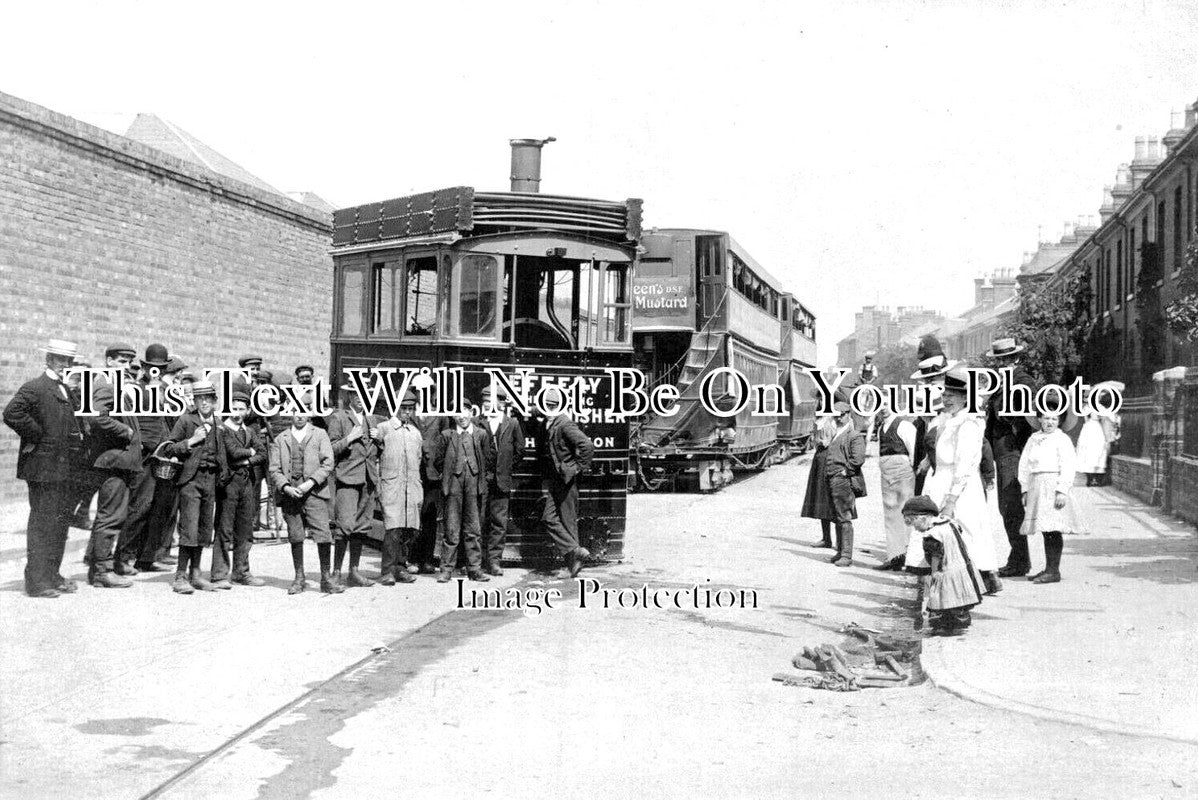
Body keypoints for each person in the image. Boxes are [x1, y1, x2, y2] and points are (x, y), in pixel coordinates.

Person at [3, 339, 88, 598]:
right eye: (61, 360)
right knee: (42, 523)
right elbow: (12, 413)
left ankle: (53, 574)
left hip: (66, 470)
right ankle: (37, 581)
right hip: (43, 468)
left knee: (60, 523)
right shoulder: (36, 387)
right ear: (49, 360)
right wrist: (38, 435)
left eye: (70, 361)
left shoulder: (67, 390)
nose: (66, 365)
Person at [916, 366, 1001, 594]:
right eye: (944, 395)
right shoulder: (949, 420)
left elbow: (965, 465)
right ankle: (945, 594)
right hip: (942, 482)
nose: (946, 399)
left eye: (952, 396)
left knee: (962, 539)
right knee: (941, 541)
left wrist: (952, 500)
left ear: (965, 398)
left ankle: (962, 595)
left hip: (960, 490)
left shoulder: (969, 423)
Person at [81, 343, 143, 588]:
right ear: (109, 361)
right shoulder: (106, 385)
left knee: (111, 515)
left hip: (119, 461)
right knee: (110, 516)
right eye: (121, 361)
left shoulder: (115, 385)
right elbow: (96, 416)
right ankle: (101, 571)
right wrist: (126, 431)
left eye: (129, 361)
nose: (126, 366)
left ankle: (100, 568)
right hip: (113, 460)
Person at [114, 343, 173, 574]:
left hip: (164, 454)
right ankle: (124, 557)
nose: (157, 372)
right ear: (145, 367)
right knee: (140, 506)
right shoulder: (133, 389)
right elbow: (131, 421)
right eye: (153, 367)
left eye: (161, 368)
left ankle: (147, 558)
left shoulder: (167, 391)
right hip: (145, 455)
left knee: (159, 507)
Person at [164, 380, 228, 593]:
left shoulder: (219, 424)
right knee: (189, 528)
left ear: (215, 401)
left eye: (209, 398)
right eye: (200, 399)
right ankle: (180, 576)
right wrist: (192, 441)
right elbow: (169, 448)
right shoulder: (186, 420)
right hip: (190, 480)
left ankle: (196, 573)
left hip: (210, 481)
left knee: (203, 528)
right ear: (194, 401)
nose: (204, 403)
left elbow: (222, 455)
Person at [984, 337, 1039, 578]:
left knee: (1011, 505)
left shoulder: (1023, 382)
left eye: (1006, 359)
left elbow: (1029, 418)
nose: (1002, 364)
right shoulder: (998, 384)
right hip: (999, 450)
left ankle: (1019, 560)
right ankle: (1018, 558)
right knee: (1006, 506)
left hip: (1013, 450)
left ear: (1016, 358)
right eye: (999, 360)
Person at [270, 411, 341, 594]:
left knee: (323, 534)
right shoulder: (281, 439)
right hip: (290, 494)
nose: (300, 416)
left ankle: (326, 578)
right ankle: (299, 578)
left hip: (315, 492)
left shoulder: (320, 434)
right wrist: (286, 487)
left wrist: (310, 482)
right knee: (295, 535)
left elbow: (328, 463)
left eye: (303, 411)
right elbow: (274, 469)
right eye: (295, 412)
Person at [325, 376, 384, 587]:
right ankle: (336, 572)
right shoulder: (339, 418)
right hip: (347, 479)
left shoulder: (372, 419)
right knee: (344, 527)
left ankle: (354, 572)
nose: (360, 398)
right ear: (350, 395)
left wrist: (380, 440)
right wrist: (349, 438)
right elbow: (329, 449)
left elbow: (377, 451)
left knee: (361, 526)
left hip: (368, 480)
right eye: (356, 394)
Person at [1018, 410, 1084, 584]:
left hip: (1053, 485)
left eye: (1054, 419)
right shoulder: (1033, 439)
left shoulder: (1062, 439)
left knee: (1053, 528)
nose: (1050, 422)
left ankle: (1054, 571)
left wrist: (1062, 490)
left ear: (1059, 421)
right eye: (1046, 418)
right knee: (1045, 529)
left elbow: (1068, 465)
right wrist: (1025, 489)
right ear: (1039, 419)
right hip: (1036, 485)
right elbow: (1024, 464)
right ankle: (1049, 568)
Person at [903, 495, 983, 636]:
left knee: (943, 600)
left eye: (914, 523)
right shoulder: (948, 523)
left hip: (947, 570)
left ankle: (946, 627)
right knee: (960, 601)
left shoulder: (933, 534)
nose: (915, 528)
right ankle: (960, 624)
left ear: (923, 518)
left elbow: (936, 555)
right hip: (963, 566)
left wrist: (935, 572)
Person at [212, 391, 268, 588]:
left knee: (245, 529)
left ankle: (241, 572)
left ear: (248, 411)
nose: (236, 413)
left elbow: (263, 453)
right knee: (224, 528)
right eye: (233, 408)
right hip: (229, 483)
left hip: (247, 483)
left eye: (241, 409)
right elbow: (232, 452)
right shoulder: (222, 429)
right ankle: (219, 574)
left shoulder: (250, 431)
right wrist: (249, 454)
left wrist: (247, 460)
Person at [436, 408, 495, 583]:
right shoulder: (447, 435)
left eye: (464, 412)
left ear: (471, 412)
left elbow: (488, 457)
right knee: (451, 528)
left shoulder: (481, 434)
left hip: (474, 485)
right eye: (456, 413)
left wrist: (479, 478)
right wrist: (448, 475)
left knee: (473, 528)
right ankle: (446, 569)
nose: (461, 417)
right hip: (453, 485)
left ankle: (475, 569)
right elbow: (438, 460)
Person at [374, 390, 423, 585]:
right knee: (392, 529)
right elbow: (376, 459)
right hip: (391, 486)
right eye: (404, 408)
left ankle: (401, 567)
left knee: (408, 529)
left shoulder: (415, 433)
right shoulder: (383, 429)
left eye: (411, 409)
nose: (407, 412)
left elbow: (418, 459)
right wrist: (379, 485)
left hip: (411, 487)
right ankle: (387, 570)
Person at [538, 409, 594, 577]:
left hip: (566, 479)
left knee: (568, 521)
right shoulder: (549, 420)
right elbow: (534, 411)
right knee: (548, 518)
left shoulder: (565, 424)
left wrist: (576, 468)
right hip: (556, 479)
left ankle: (573, 566)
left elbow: (587, 445)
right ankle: (575, 551)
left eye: (551, 406)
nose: (546, 409)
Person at [478, 386, 525, 576]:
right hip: (481, 480)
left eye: (491, 401)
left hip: (502, 481)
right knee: (478, 521)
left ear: (502, 403)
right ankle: (477, 562)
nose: (487, 404)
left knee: (498, 523)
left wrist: (505, 468)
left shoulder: (512, 424)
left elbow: (520, 451)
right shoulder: (477, 422)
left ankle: (494, 562)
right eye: (485, 401)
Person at [823, 402, 866, 567]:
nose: (838, 418)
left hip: (842, 480)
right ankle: (840, 552)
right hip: (833, 478)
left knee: (844, 517)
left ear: (848, 414)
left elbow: (858, 459)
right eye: (835, 415)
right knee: (837, 516)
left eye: (841, 414)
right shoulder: (837, 432)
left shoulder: (853, 435)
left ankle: (846, 555)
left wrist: (846, 472)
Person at [874, 405, 916, 570]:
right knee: (891, 515)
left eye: (886, 404)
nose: (882, 408)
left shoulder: (904, 425)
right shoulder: (880, 428)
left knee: (906, 513)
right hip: (887, 475)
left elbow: (913, 451)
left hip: (903, 473)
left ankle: (910, 557)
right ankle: (895, 557)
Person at [800, 414, 838, 548]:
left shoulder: (833, 420)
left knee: (833, 498)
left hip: (830, 457)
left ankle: (840, 541)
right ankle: (826, 538)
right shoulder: (818, 420)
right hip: (820, 458)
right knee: (821, 497)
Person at [1075, 409, 1110, 486]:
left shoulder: (1100, 408)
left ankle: (1097, 480)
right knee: (1089, 454)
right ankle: (1090, 479)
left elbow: (1103, 418)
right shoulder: (1088, 409)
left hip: (1098, 429)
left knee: (1099, 454)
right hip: (1089, 429)